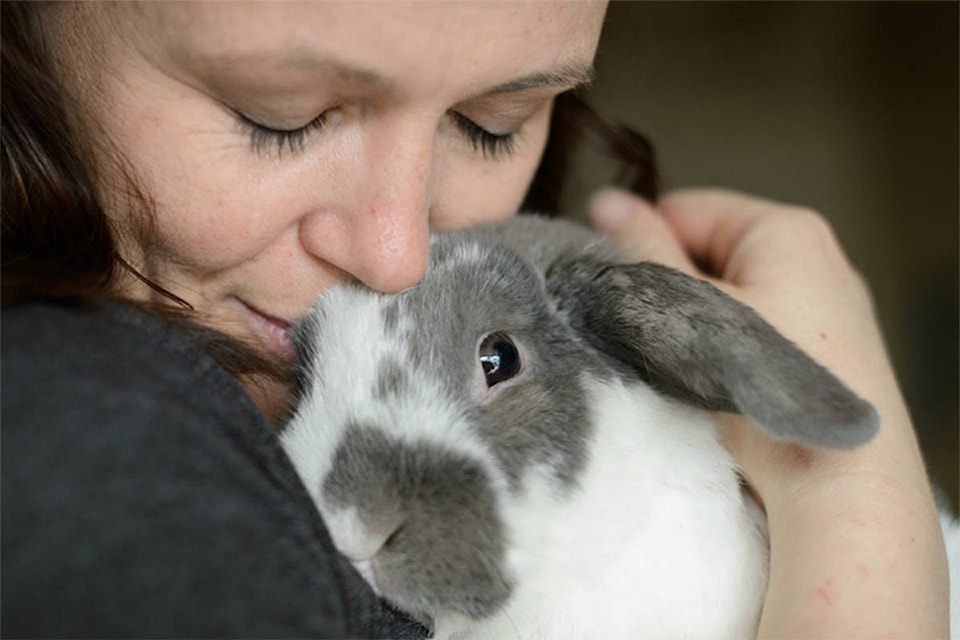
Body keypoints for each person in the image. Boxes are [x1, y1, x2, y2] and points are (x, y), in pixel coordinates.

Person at [1, 2, 948, 638]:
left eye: (496, 121)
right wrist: (854, 507)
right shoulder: (85, 447)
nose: (397, 251)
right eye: (278, 113)